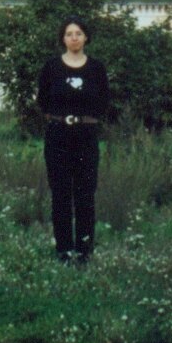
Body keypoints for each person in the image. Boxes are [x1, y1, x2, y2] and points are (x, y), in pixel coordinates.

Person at [37, 20, 110, 265]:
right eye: (69, 34)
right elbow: (43, 100)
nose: (74, 38)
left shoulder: (96, 69)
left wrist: (83, 119)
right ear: (63, 39)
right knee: (60, 194)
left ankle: (84, 251)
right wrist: (61, 118)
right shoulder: (52, 68)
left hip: (86, 137)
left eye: (79, 33)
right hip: (58, 136)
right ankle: (64, 251)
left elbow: (104, 101)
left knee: (85, 194)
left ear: (86, 37)